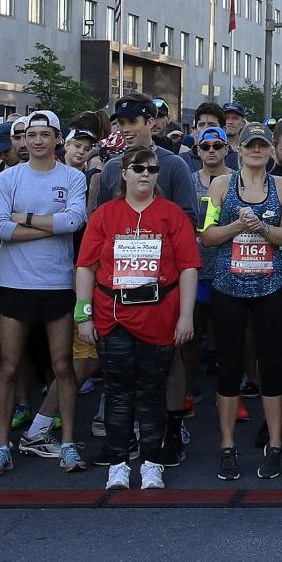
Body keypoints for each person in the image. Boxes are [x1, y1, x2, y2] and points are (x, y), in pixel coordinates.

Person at [77, 143, 201, 490]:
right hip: (112, 314)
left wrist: (186, 317)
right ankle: (118, 462)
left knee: (151, 392)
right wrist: (82, 315)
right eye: (138, 168)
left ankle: (151, 462)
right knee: (117, 393)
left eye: (151, 169)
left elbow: (189, 267)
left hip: (160, 315)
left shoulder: (172, 214)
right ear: (124, 173)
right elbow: (85, 267)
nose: (145, 174)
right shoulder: (104, 215)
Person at [0, 111, 91, 475]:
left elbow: (75, 221)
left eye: (45, 134)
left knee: (62, 365)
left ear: (57, 138)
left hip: (57, 283)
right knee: (9, 366)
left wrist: (24, 218)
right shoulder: (9, 177)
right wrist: (51, 226)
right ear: (23, 139)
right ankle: (1, 445)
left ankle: (68, 443)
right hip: (14, 283)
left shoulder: (73, 177)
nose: (38, 141)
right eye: (31, 134)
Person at [200, 124, 282, 479]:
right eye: (251, 145)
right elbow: (208, 236)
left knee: (271, 368)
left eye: (263, 145)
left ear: (270, 151)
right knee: (229, 367)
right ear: (239, 149)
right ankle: (227, 446)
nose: (257, 150)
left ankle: (274, 446)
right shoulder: (221, 185)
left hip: (270, 288)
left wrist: (261, 228)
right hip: (228, 287)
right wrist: (238, 227)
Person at [91, 94, 203, 220]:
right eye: (122, 123)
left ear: (150, 122)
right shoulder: (111, 167)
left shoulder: (175, 165)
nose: (125, 129)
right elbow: (102, 219)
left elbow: (188, 220)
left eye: (132, 122)